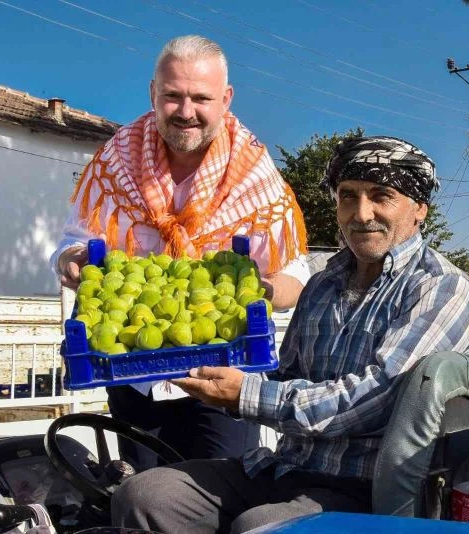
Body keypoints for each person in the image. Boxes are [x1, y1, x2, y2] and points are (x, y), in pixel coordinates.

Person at [110, 136, 469, 533]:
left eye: (381, 196)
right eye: (348, 195)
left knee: (261, 526)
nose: (361, 213)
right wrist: (206, 366)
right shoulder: (323, 286)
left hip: (370, 491)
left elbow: (377, 396)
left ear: (419, 209)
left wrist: (247, 395)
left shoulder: (440, 287)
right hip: (285, 468)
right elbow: (283, 376)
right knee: (144, 495)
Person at [50, 35, 310, 472]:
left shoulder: (255, 175)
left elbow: (295, 272)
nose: (186, 112)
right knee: (141, 498)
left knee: (219, 500)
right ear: (153, 93)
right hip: (133, 376)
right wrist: (70, 260)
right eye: (173, 96)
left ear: (225, 99)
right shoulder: (115, 161)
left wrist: (268, 289)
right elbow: (73, 238)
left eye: (201, 98)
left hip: (223, 377)